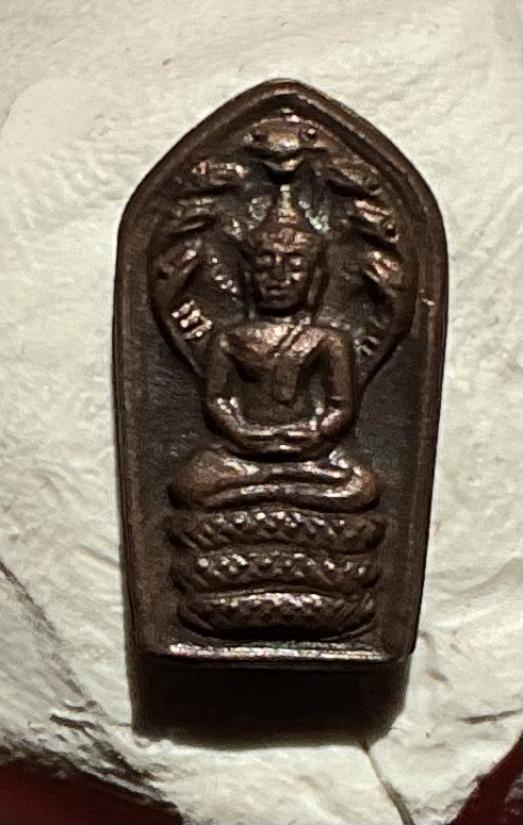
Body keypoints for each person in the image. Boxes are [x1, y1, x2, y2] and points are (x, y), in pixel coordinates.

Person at [171, 186, 378, 511]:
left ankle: (258, 494)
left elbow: (341, 406)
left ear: (315, 278)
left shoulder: (328, 340)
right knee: (191, 481)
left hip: (307, 452)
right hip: (244, 451)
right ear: (248, 276)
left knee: (361, 484)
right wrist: (242, 432)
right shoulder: (229, 338)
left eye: (294, 266)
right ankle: (277, 491)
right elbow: (217, 400)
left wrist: (315, 433)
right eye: (265, 265)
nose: (278, 276)